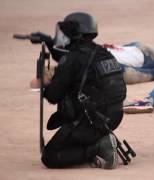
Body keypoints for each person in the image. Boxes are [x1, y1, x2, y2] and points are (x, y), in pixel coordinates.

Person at [35, 12, 127, 169]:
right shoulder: (101, 52)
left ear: (73, 33)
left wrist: (42, 82)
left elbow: (53, 95)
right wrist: (49, 42)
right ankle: (99, 140)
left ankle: (98, 147)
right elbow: (72, 61)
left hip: (91, 122)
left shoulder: (73, 59)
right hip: (113, 116)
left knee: (50, 156)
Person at [30, 33, 154, 84]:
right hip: (132, 48)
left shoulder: (97, 66)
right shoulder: (84, 55)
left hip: (138, 55)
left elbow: (152, 74)